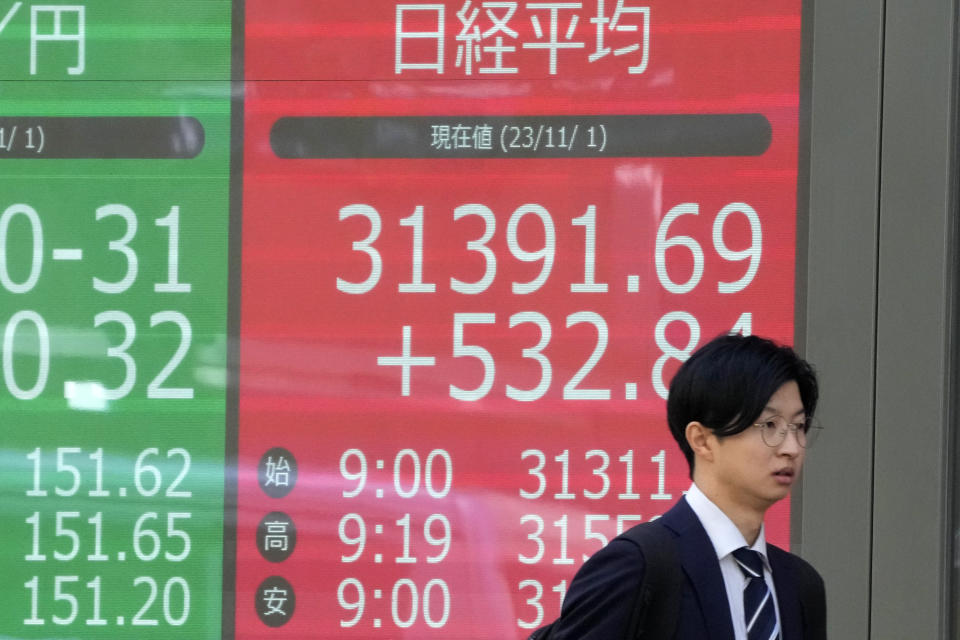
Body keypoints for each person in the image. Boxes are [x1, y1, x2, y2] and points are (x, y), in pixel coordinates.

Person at [548, 333, 826, 639]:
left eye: (798, 427)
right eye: (769, 425)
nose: (791, 447)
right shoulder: (638, 565)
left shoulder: (800, 585)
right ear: (702, 440)